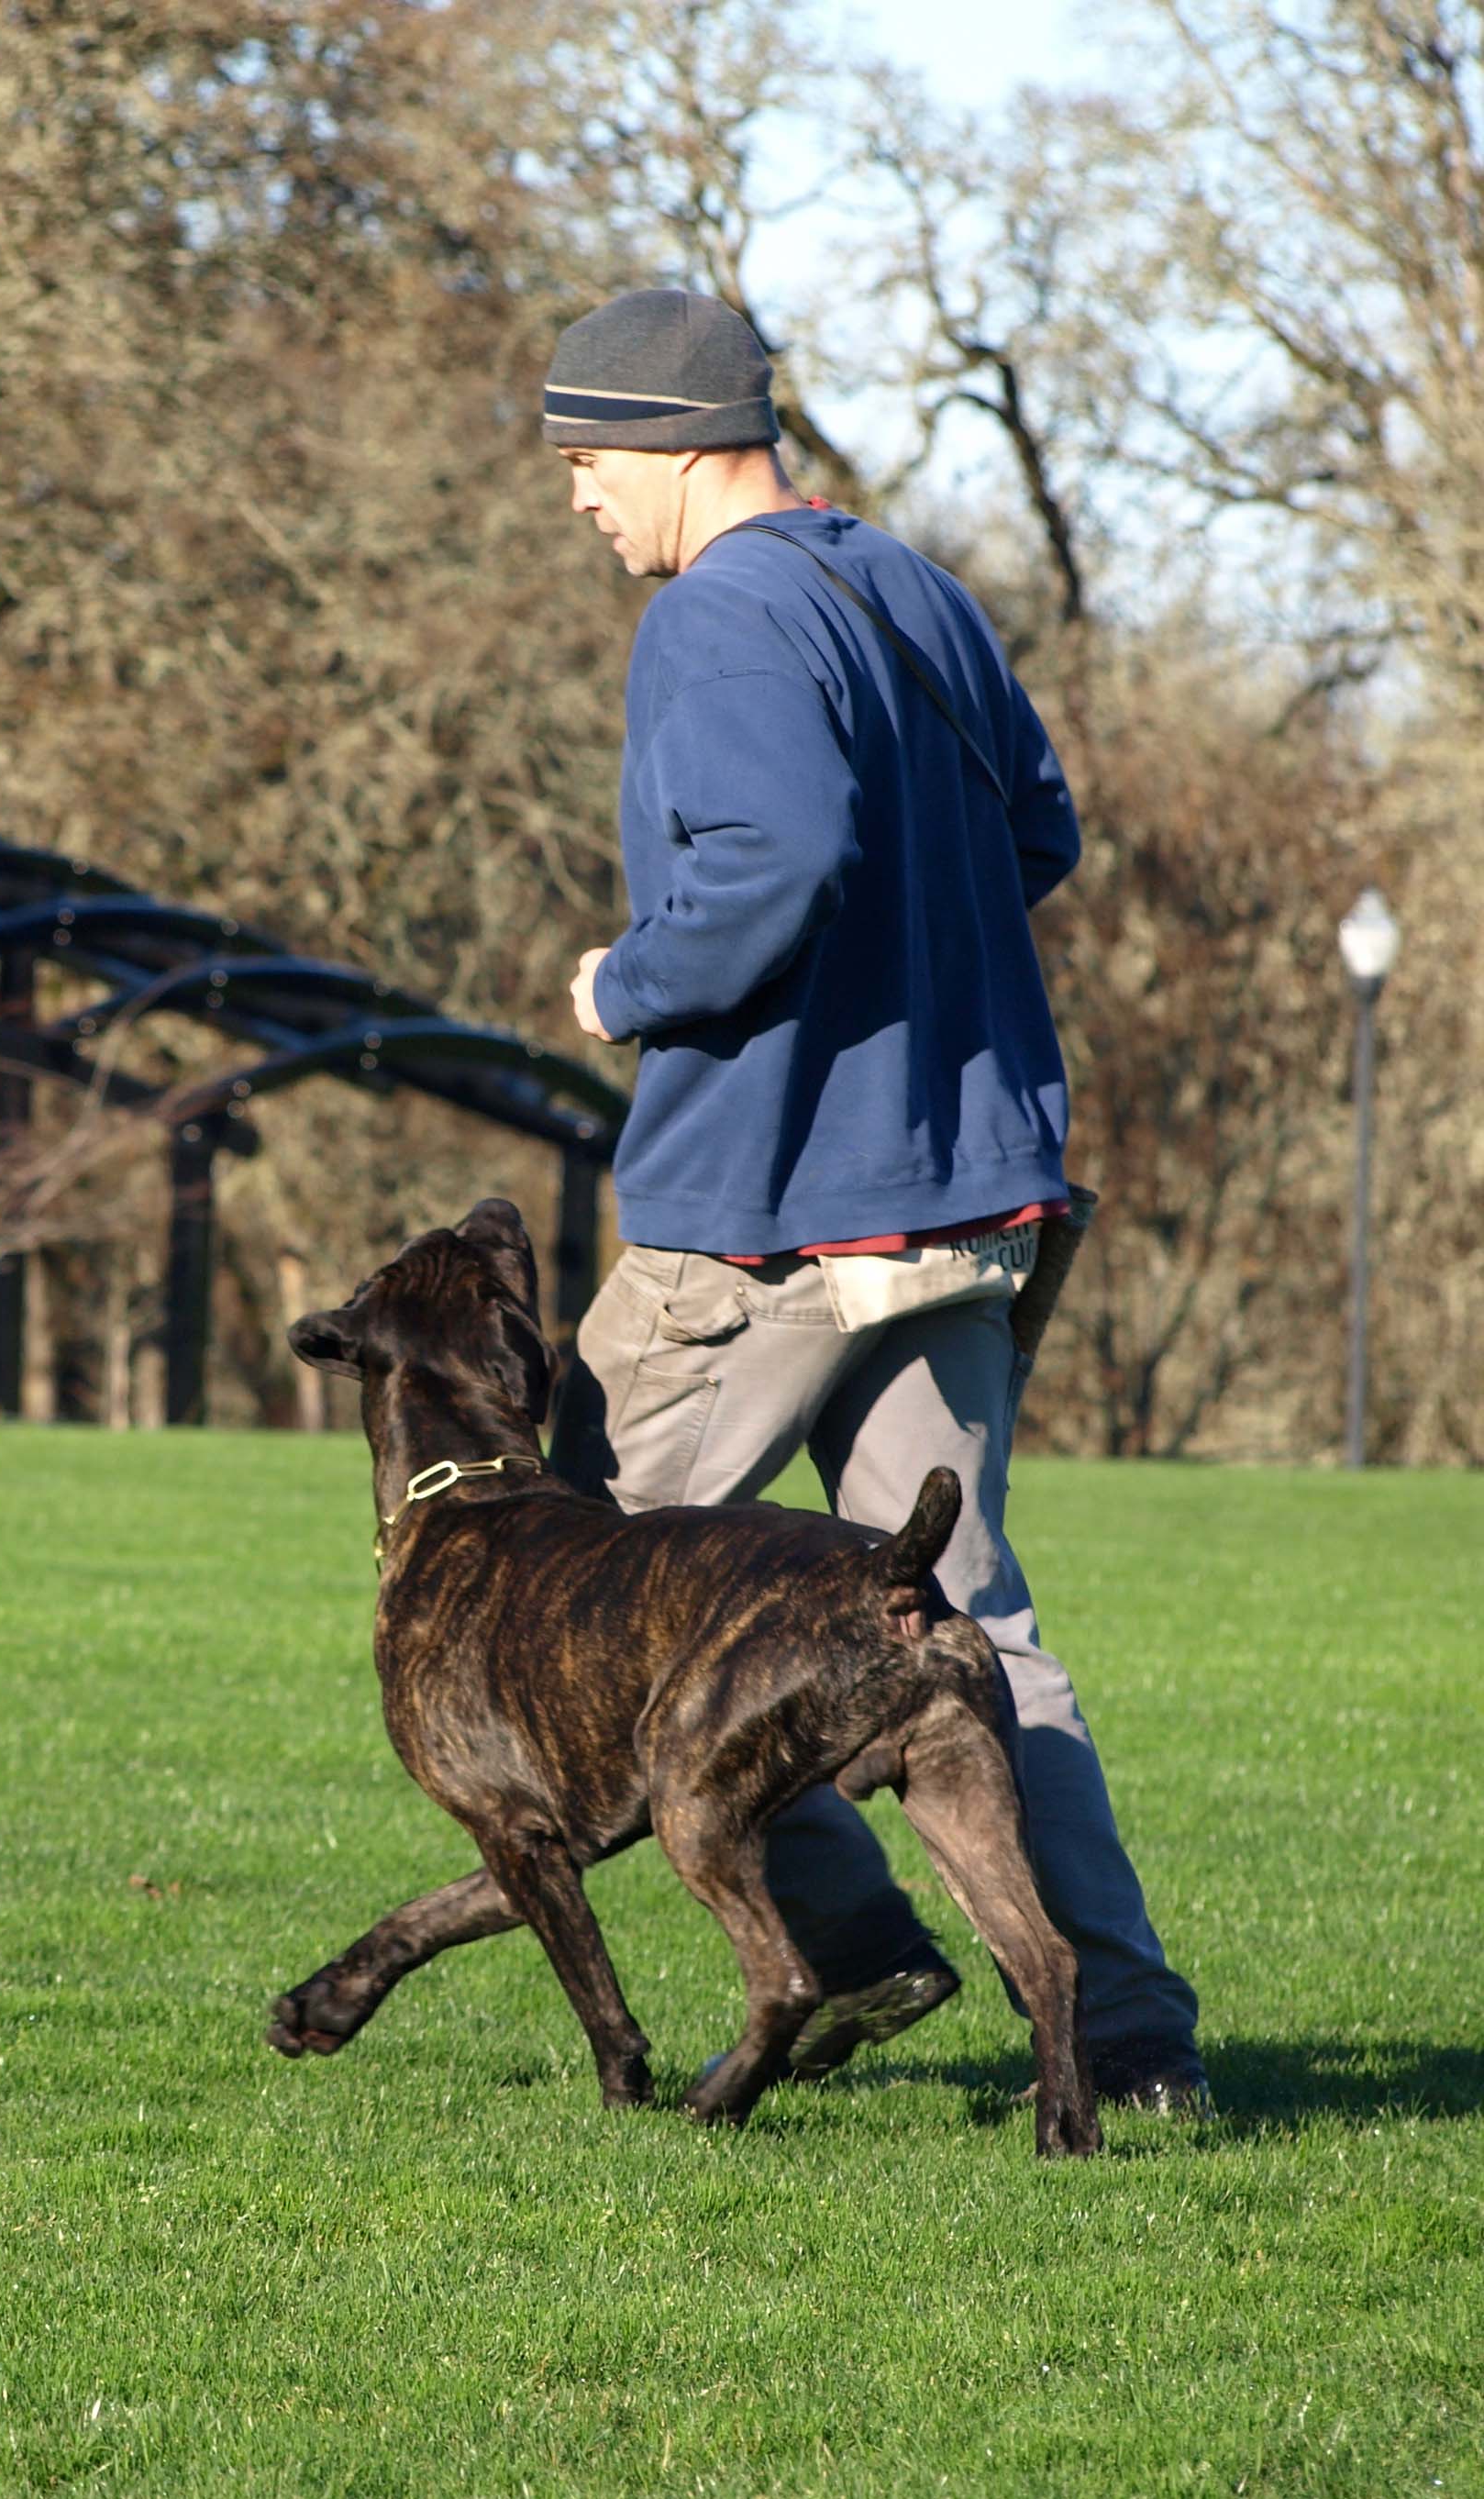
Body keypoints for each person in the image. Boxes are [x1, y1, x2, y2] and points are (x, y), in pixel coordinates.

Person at [541, 287, 1209, 2115]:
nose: (581, 500)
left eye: (587, 461)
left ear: (673, 446)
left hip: (758, 1211)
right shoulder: (913, 591)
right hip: (958, 1201)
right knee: (966, 1627)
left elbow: (782, 854)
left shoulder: (714, 619)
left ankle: (850, 1950)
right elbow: (1040, 835)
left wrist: (637, 980)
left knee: (574, 1597)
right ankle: (1136, 2047)